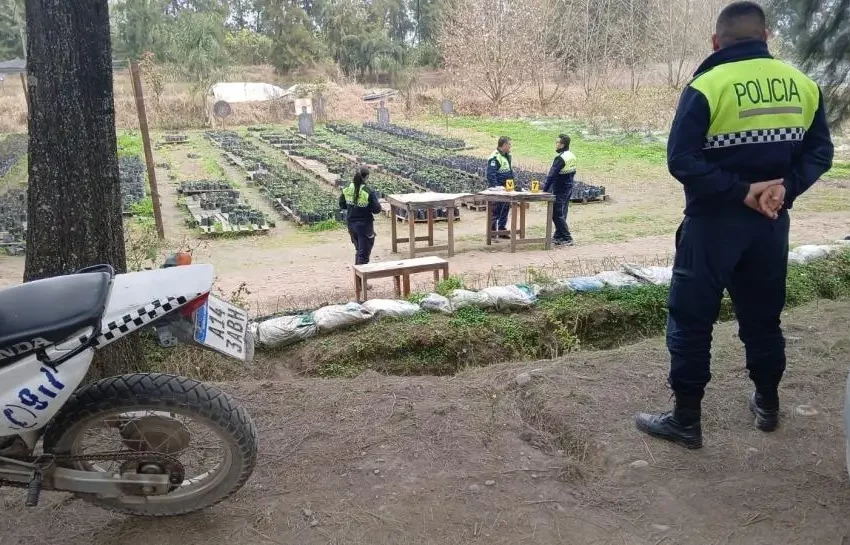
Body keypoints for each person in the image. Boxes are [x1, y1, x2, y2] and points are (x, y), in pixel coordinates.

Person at [636, 1, 834, 450]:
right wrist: (783, 189)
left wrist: (741, 191)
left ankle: (686, 419)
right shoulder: (803, 85)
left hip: (713, 226)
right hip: (770, 224)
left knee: (691, 319)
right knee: (764, 318)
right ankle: (767, 404)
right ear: (766, 38)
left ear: (716, 42)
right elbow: (820, 153)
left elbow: (681, 159)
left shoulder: (707, 85)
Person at [339, 166, 382, 265]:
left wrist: (353, 207)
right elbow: (377, 209)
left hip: (351, 225)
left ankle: (358, 278)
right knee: (363, 254)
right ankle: (361, 278)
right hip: (364, 226)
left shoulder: (347, 189)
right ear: (366, 177)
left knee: (359, 250)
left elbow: (342, 204)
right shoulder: (367, 191)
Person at [544, 134, 576, 246]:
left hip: (560, 189)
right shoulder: (571, 155)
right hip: (569, 187)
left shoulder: (560, 158)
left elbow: (551, 175)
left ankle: (567, 237)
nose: (556, 144)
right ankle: (558, 236)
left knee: (556, 214)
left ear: (562, 144)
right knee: (562, 213)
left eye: (557, 142)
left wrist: (544, 189)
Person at [486, 136, 515, 240]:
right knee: (495, 211)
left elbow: (509, 171)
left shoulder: (507, 156)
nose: (510, 146)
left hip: (507, 188)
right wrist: (496, 188)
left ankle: (502, 230)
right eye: (509, 144)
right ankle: (492, 233)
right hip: (498, 189)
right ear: (504, 145)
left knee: (505, 210)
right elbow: (491, 174)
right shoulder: (495, 157)